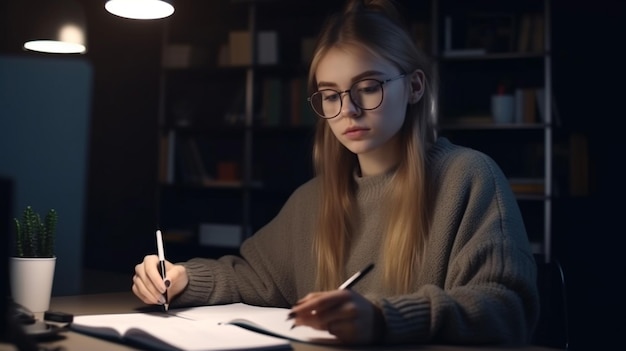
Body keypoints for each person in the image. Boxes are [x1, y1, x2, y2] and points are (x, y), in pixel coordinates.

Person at [132, 0, 539, 345]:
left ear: (414, 87)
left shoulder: (468, 177)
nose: (348, 110)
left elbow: (506, 308)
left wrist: (384, 318)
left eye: (368, 86)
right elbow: (255, 276)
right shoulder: (313, 199)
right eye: (330, 95)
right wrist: (183, 278)